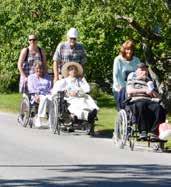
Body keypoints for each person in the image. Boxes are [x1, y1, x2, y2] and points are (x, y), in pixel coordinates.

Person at [126, 63, 166, 140]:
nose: (144, 72)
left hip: (149, 100)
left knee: (159, 108)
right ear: (136, 72)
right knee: (141, 105)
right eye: (142, 70)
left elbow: (159, 97)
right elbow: (129, 91)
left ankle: (154, 132)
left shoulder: (150, 82)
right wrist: (145, 90)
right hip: (136, 100)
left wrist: (152, 91)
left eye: (146, 70)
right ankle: (143, 131)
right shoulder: (132, 80)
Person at [112, 40, 141, 110]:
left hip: (133, 88)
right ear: (124, 50)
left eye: (131, 49)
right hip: (120, 88)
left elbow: (140, 74)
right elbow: (115, 75)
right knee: (123, 108)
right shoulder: (118, 60)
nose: (129, 51)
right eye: (127, 49)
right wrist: (118, 88)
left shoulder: (136, 60)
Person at [27, 62, 52, 127]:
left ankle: (51, 119)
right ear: (34, 69)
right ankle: (39, 118)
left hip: (47, 94)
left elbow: (50, 88)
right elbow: (30, 88)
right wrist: (36, 95)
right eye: (37, 68)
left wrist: (51, 93)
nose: (39, 70)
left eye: (41, 68)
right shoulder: (31, 77)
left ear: (43, 69)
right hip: (35, 95)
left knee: (52, 99)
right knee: (43, 98)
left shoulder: (48, 77)